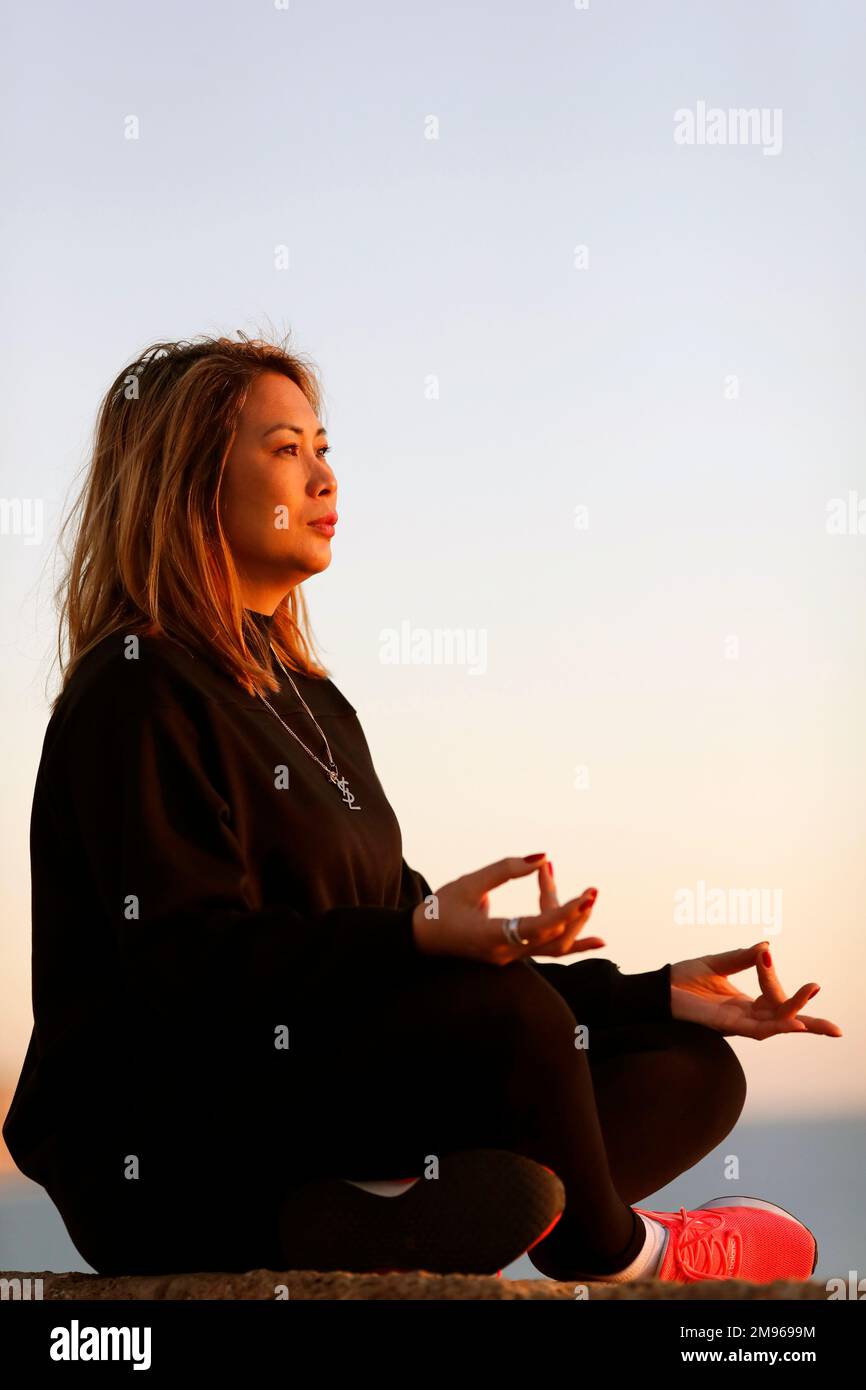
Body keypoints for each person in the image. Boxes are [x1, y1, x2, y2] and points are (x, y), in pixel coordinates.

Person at [2, 333, 843, 1284]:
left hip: (324, 1113)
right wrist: (415, 944)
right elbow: (186, 967)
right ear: (191, 481)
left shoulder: (313, 703)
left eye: (325, 449)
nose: (325, 478)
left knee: (687, 1064)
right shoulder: (136, 688)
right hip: (177, 1153)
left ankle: (383, 1209)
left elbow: (412, 953)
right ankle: (620, 1250)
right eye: (286, 450)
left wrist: (651, 993)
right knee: (511, 1022)